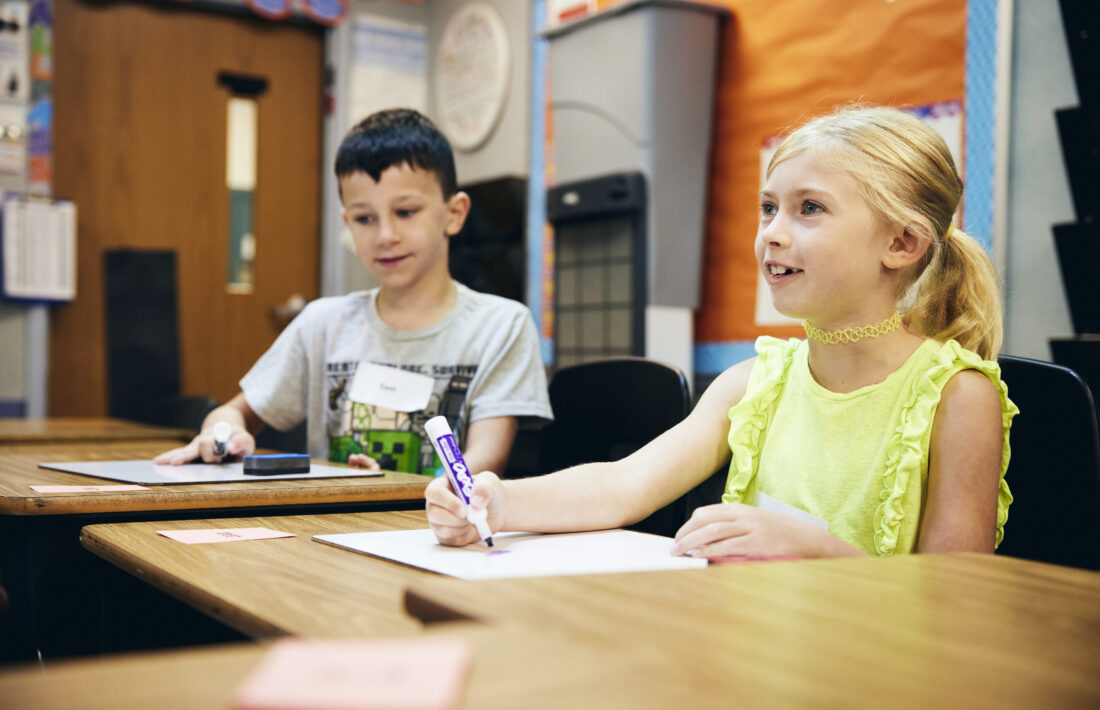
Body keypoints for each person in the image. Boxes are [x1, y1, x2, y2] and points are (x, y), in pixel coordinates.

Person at [427, 104, 1017, 558]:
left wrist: (813, 550)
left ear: (901, 243)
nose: (774, 233)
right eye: (768, 207)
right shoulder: (752, 382)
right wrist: (498, 501)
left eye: (809, 208)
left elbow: (956, 591)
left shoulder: (959, 398)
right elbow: (624, 484)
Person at [157, 108, 552, 476]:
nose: (385, 236)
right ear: (347, 221)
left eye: (406, 212)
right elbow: (231, 411)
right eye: (364, 218)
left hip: (440, 534)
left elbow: (488, 461)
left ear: (454, 213)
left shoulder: (501, 325)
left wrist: (395, 485)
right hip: (335, 529)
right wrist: (222, 432)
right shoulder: (323, 323)